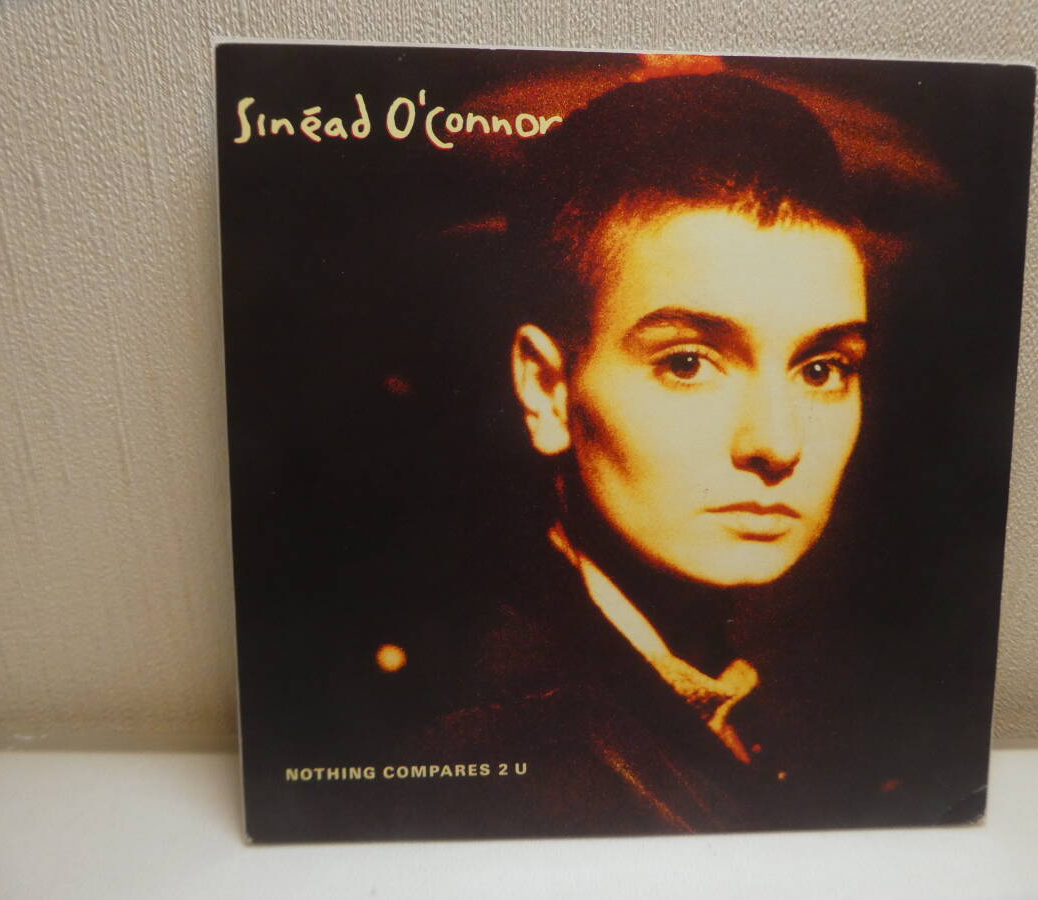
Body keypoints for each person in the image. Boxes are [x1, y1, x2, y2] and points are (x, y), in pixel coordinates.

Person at [395, 73, 932, 837]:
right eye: (687, 363)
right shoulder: (496, 758)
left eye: (822, 369)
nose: (776, 443)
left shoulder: (767, 696)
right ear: (547, 389)